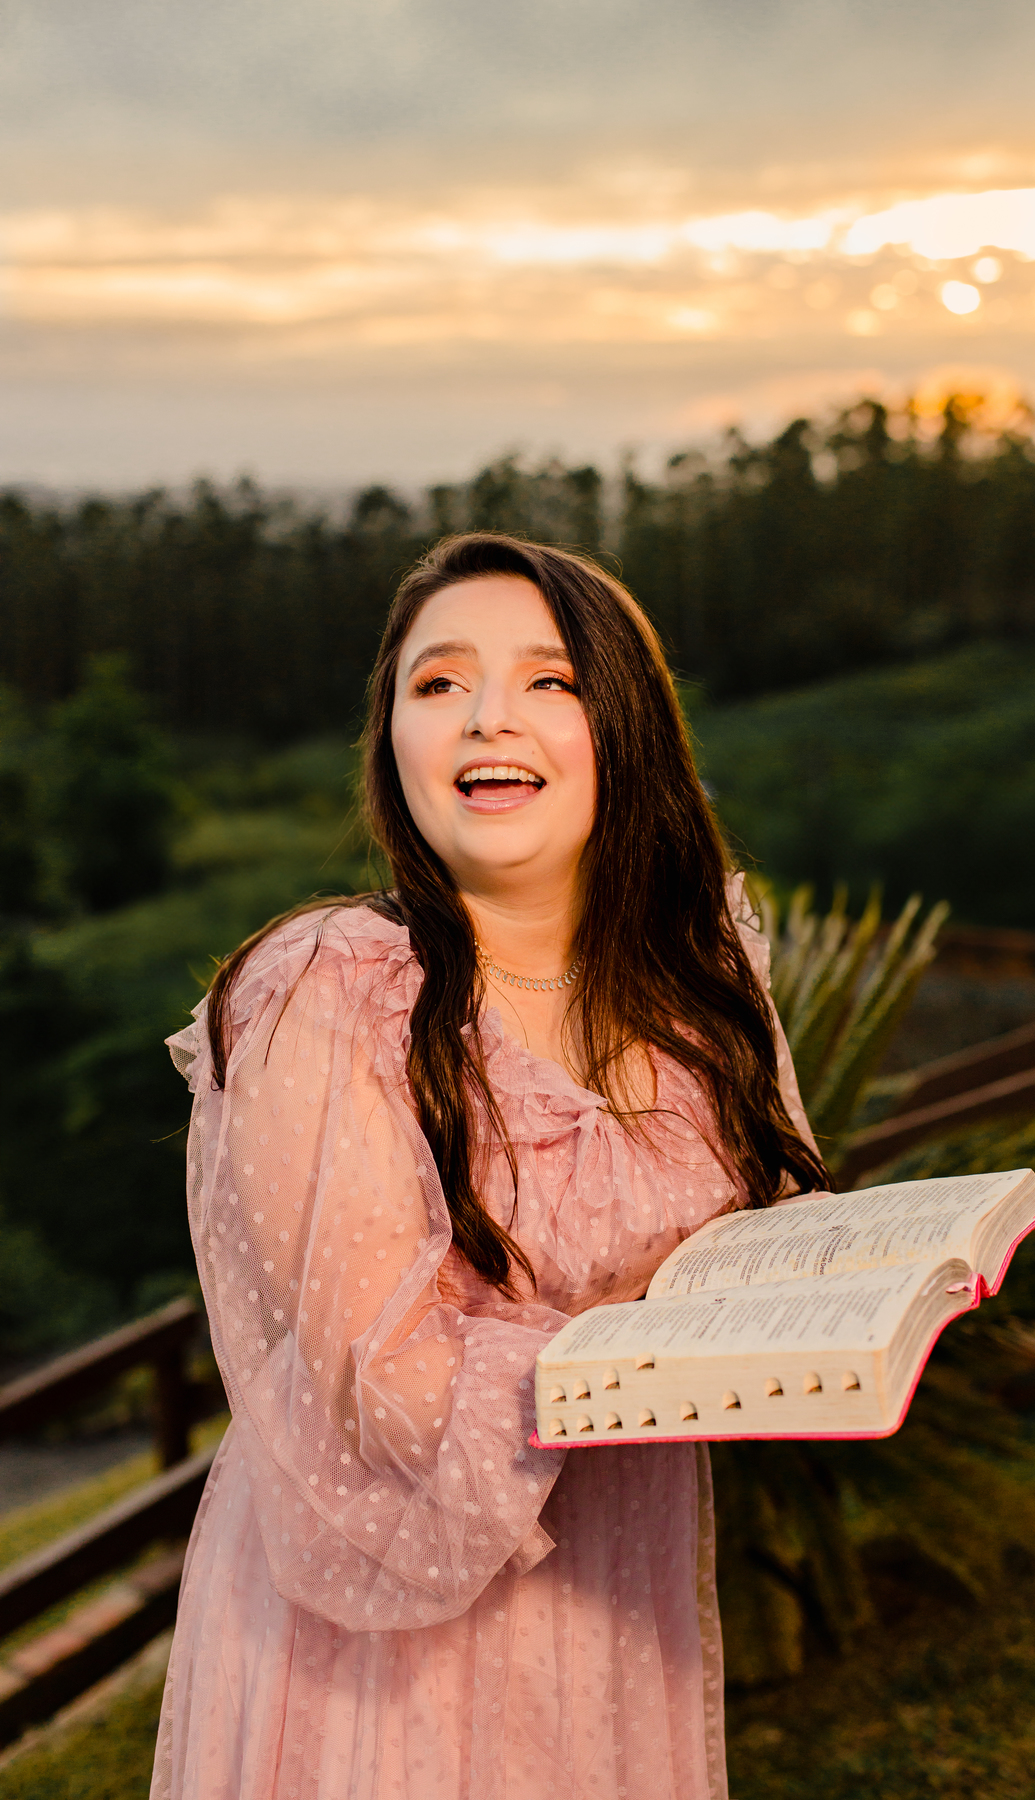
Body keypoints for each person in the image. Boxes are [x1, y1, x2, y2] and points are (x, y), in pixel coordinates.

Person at [152, 533, 827, 1800]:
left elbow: (763, 1251)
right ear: (392, 741)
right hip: (373, 1631)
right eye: (439, 683)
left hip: (614, 1589)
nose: (486, 719)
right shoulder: (327, 993)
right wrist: (656, 1351)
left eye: (550, 682)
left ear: (624, 726)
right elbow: (384, 1385)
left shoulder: (701, 980)